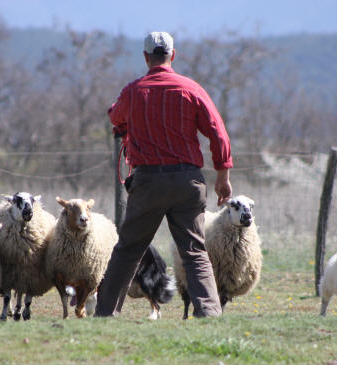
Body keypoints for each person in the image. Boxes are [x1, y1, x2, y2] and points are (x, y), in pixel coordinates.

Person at [94, 31, 233, 318]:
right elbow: (218, 132)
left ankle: (105, 313)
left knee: (128, 250)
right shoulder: (191, 89)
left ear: (146, 57)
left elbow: (115, 117)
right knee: (194, 251)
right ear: (173, 55)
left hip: (147, 183)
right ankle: (209, 312)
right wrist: (223, 174)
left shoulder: (134, 91)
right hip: (187, 181)